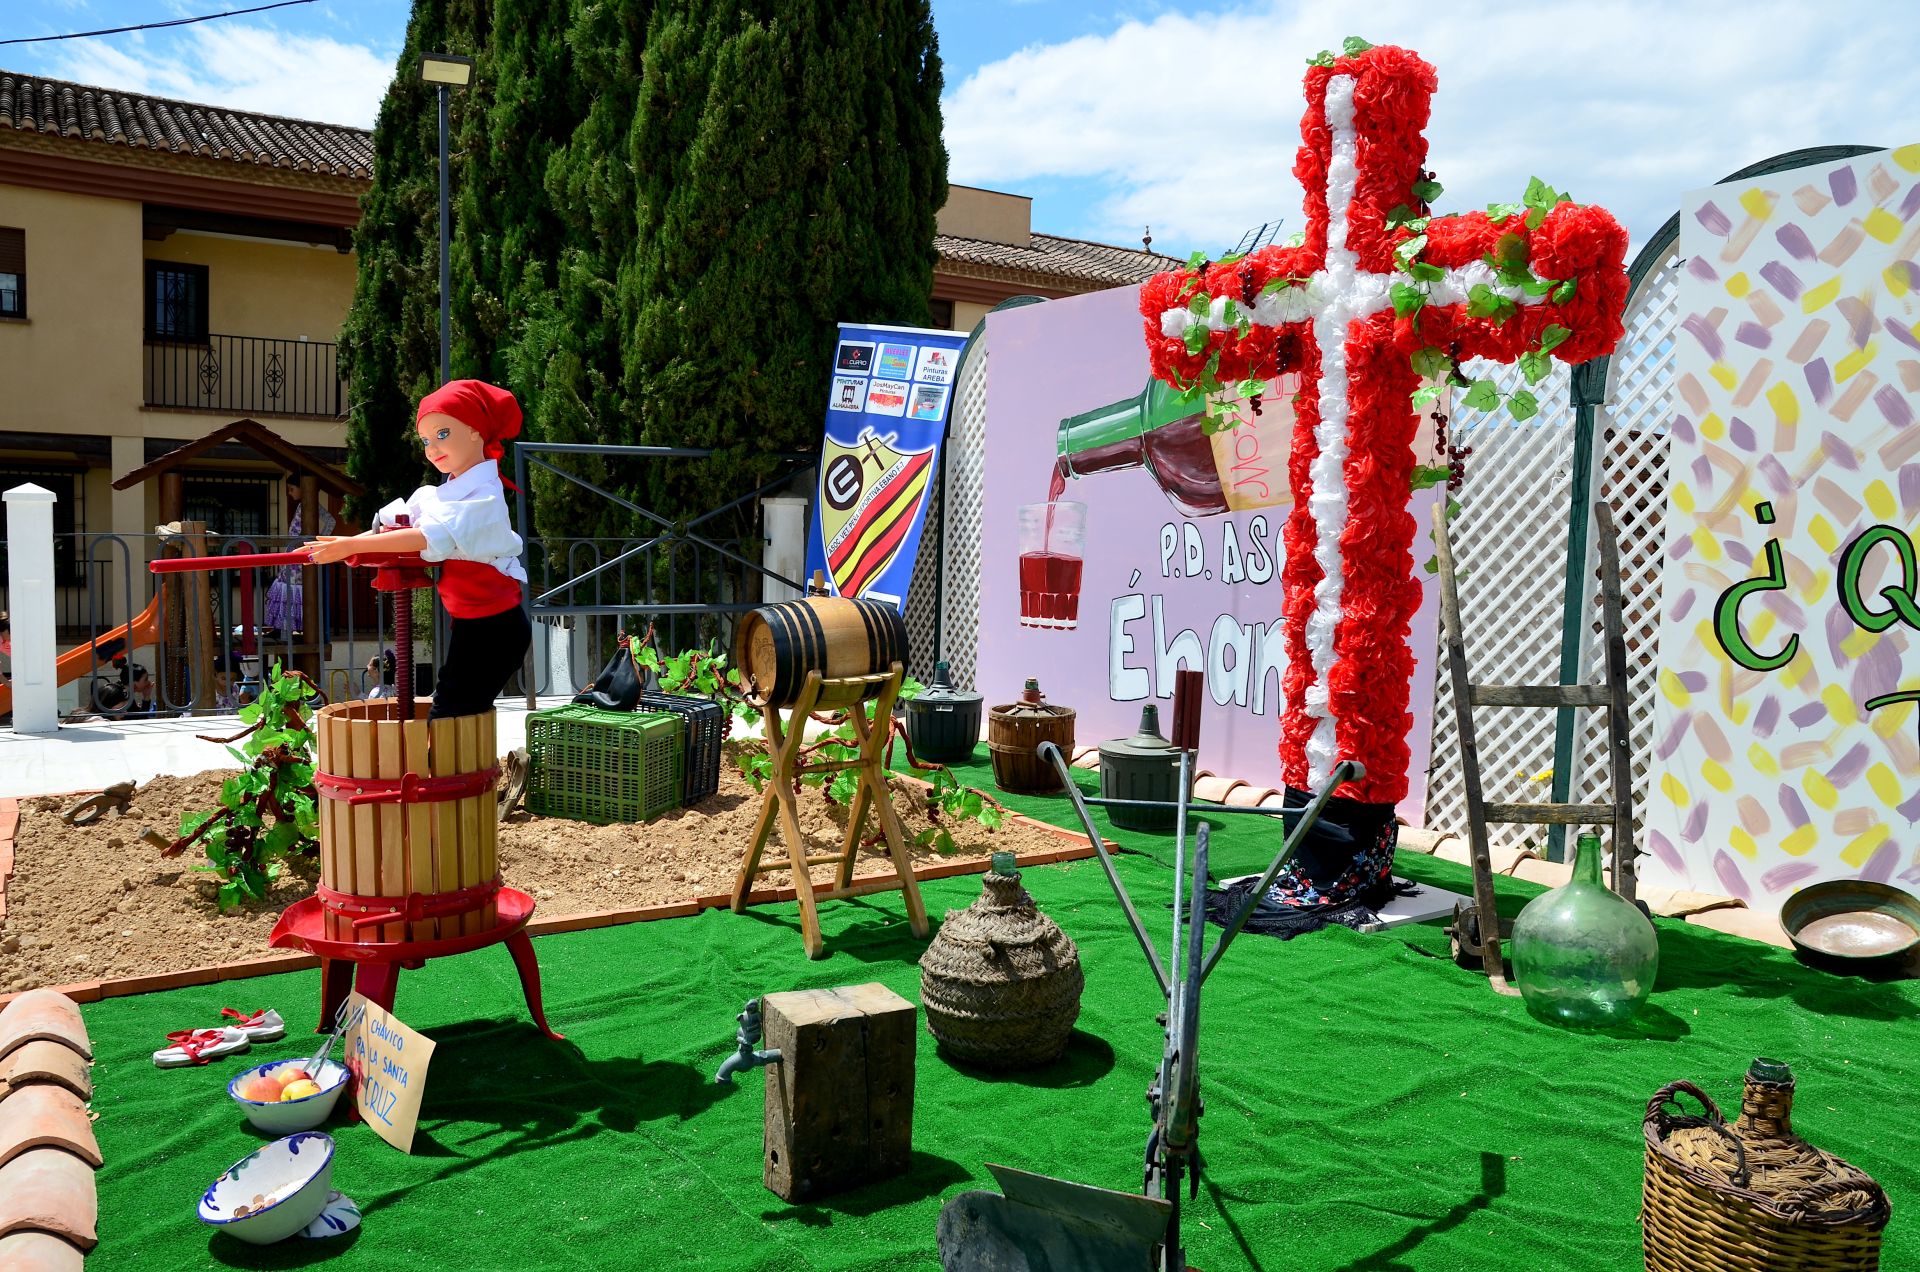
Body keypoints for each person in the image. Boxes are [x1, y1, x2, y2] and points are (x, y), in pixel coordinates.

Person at [304, 380, 530, 719]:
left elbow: (423, 537)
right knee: (453, 705)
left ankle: (449, 771)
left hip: (497, 628)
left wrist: (350, 544)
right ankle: (454, 770)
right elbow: (398, 527)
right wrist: (350, 548)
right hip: (472, 625)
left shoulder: (484, 496)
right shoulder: (438, 494)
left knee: (453, 710)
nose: (432, 447)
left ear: (475, 431)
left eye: (442, 434)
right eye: (426, 440)